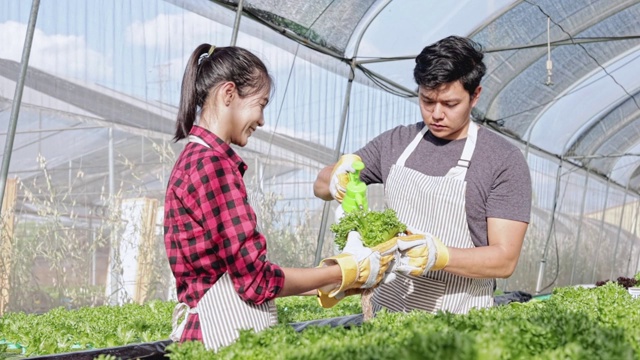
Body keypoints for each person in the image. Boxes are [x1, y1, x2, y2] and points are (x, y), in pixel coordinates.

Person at [163, 44, 397, 351]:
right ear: (228, 94)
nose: (261, 120)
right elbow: (255, 282)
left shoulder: (194, 158)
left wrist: (331, 283)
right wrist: (341, 271)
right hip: (222, 339)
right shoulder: (213, 167)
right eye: (260, 104)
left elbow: (235, 271)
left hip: (204, 331)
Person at [314, 35, 532, 314]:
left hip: (459, 318)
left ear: (475, 95)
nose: (436, 114)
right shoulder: (397, 142)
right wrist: (334, 179)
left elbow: (504, 260)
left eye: (450, 104)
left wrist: (440, 256)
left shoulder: (502, 159)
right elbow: (320, 186)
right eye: (427, 101)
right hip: (386, 312)